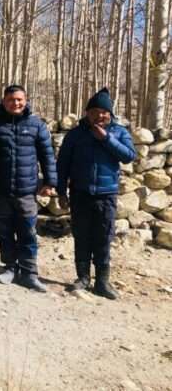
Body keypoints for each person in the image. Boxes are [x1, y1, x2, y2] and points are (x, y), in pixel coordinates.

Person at [57, 88, 135, 300]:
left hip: (106, 195)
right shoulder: (75, 134)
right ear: (87, 113)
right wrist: (61, 191)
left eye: (104, 112)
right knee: (81, 236)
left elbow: (129, 156)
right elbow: (62, 164)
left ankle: (102, 281)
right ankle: (82, 278)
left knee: (103, 238)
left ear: (110, 114)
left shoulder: (119, 132)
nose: (100, 116)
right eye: (95, 112)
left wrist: (106, 138)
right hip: (80, 194)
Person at [0, 85, 57, 292]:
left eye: (19, 99)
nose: (16, 103)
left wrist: (50, 182)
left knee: (28, 232)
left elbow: (47, 155)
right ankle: (10, 268)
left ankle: (29, 273)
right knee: (4, 232)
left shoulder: (36, 125)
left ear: (26, 100)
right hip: (0, 190)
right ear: (4, 101)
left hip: (27, 191)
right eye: (11, 100)